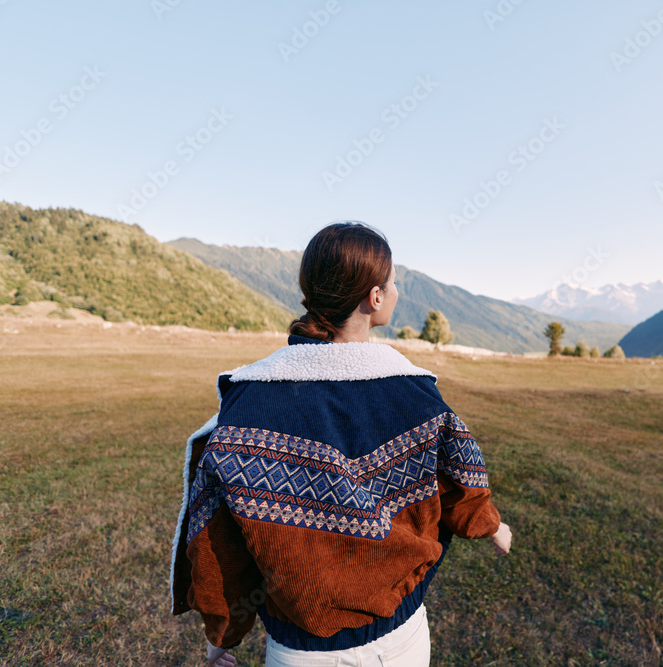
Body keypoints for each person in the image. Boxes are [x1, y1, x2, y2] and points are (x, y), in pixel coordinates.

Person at [170, 221, 512, 667]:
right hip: (404, 640)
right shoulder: (414, 393)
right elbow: (458, 479)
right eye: (392, 283)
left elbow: (219, 539)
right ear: (374, 298)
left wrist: (222, 636)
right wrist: (490, 525)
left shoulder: (248, 406)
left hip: (300, 653)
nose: (396, 290)